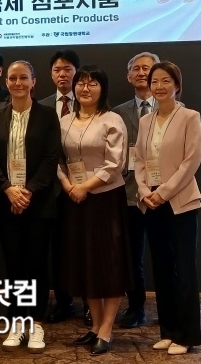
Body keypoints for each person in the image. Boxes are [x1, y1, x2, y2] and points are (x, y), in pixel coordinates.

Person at [57, 65, 131, 355]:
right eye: (81, 83)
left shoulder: (112, 120)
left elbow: (115, 164)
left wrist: (85, 186)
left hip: (105, 200)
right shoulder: (64, 120)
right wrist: (68, 186)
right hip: (75, 199)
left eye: (93, 83)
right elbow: (57, 160)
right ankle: (95, 326)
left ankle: (107, 329)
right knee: (86, 263)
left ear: (103, 88)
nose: (85, 89)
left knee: (109, 265)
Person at [0, 61, 61, 354]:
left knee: (37, 265)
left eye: (23, 78)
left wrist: (28, 192)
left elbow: (51, 158)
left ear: (33, 81)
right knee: (14, 265)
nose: (18, 83)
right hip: (7, 203)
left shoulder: (47, 115)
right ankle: (17, 322)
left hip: (38, 203)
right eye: (13, 78)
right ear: (6, 82)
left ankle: (37, 323)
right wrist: (8, 189)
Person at [134, 61, 201, 355]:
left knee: (184, 269)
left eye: (165, 81)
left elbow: (191, 161)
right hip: (152, 203)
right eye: (154, 81)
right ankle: (168, 331)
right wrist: (143, 190)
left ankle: (186, 336)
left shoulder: (189, 116)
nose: (159, 86)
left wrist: (163, 192)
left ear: (177, 85)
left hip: (181, 202)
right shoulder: (145, 121)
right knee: (161, 268)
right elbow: (138, 159)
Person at [38, 50, 90, 325]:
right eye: (57, 70)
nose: (62, 74)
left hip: (84, 188)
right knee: (56, 250)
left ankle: (90, 303)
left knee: (85, 247)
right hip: (52, 190)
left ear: (77, 73)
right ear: (50, 74)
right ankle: (63, 301)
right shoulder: (42, 107)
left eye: (68, 69)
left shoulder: (88, 103)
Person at [112, 52, 160, 329]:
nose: (142, 73)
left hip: (164, 193)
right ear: (129, 76)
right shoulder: (118, 113)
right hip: (129, 193)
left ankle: (169, 308)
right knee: (132, 256)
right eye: (137, 69)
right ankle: (136, 307)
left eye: (147, 68)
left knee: (166, 255)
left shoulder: (175, 109)